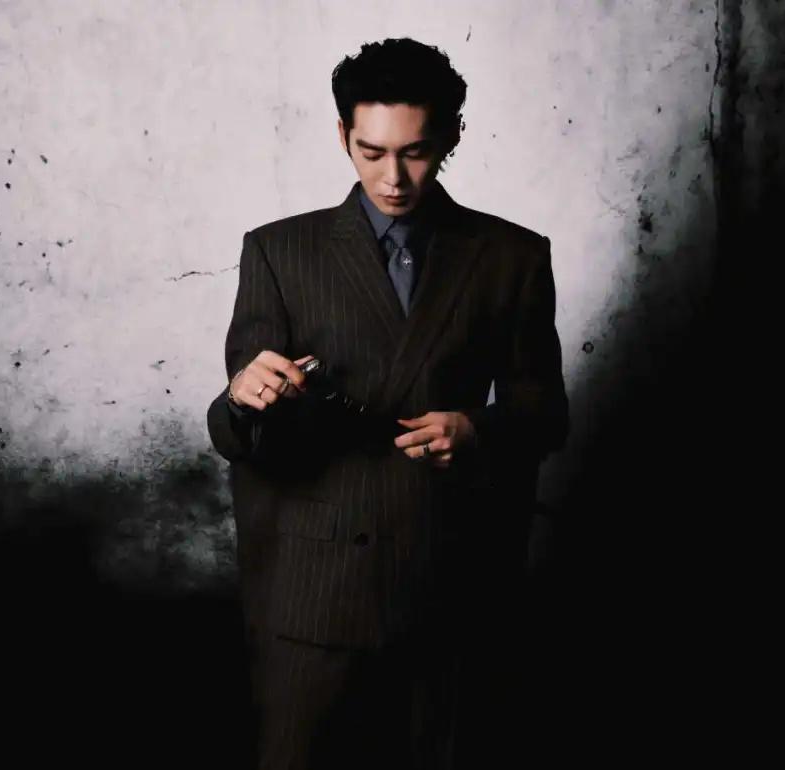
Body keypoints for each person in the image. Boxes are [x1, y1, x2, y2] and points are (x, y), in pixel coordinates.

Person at [206, 37, 569, 770]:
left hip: (452, 582)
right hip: (315, 587)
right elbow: (235, 431)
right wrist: (244, 399)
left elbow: (545, 413)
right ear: (343, 134)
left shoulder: (511, 256)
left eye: (416, 152)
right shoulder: (280, 251)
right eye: (370, 152)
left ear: (452, 136)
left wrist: (477, 429)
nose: (393, 177)